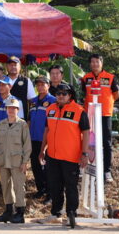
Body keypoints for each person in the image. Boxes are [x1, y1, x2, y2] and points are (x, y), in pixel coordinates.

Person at [38, 83, 90, 226]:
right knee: (55, 186)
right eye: (58, 93)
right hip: (52, 156)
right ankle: (56, 214)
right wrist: (42, 150)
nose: (60, 96)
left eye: (64, 94)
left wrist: (85, 153)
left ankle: (71, 215)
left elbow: (86, 133)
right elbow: (47, 130)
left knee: (71, 186)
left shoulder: (79, 111)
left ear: (70, 95)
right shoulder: (50, 109)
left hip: (70, 157)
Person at [80, 54, 119, 182]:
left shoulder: (110, 77)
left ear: (101, 63)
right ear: (90, 64)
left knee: (106, 143)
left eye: (97, 61)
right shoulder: (85, 78)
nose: (95, 64)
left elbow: (116, 94)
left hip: (105, 114)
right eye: (92, 62)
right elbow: (84, 94)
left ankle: (107, 171)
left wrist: (107, 102)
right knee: (88, 141)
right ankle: (86, 168)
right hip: (89, 114)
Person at [0, 97, 31, 223]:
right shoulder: (1, 124)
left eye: (13, 108)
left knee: (18, 187)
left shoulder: (22, 125)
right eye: (9, 108)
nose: (11, 110)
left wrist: (25, 162)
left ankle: (20, 213)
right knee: (5, 186)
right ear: (6, 109)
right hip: (3, 161)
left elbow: (27, 145)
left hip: (17, 162)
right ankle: (9, 211)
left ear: (18, 110)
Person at [29, 75, 57, 201]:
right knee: (35, 165)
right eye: (38, 85)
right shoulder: (33, 101)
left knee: (47, 167)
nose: (40, 87)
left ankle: (50, 194)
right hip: (33, 138)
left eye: (43, 84)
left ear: (48, 85)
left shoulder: (53, 100)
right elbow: (29, 119)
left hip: (46, 139)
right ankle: (41, 189)